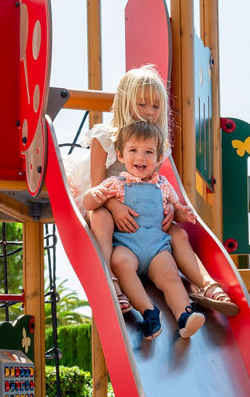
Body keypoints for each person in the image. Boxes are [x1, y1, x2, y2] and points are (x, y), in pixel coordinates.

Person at [68, 65, 237, 316]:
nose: (149, 111)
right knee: (100, 216)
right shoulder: (104, 138)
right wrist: (115, 207)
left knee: (178, 234)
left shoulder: (156, 144)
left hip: (143, 216)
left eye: (156, 106)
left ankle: (206, 285)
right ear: (125, 102)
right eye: (142, 104)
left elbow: (156, 184)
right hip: (108, 204)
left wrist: (168, 207)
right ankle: (109, 278)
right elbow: (98, 187)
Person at [78, 120, 204, 340]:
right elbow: (89, 204)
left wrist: (184, 214)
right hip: (127, 246)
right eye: (133, 150)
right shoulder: (116, 183)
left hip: (157, 248)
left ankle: (184, 315)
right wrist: (93, 195)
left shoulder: (163, 185)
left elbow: (175, 210)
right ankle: (149, 311)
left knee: (171, 276)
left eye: (149, 152)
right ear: (120, 155)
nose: (141, 157)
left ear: (158, 158)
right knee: (119, 263)